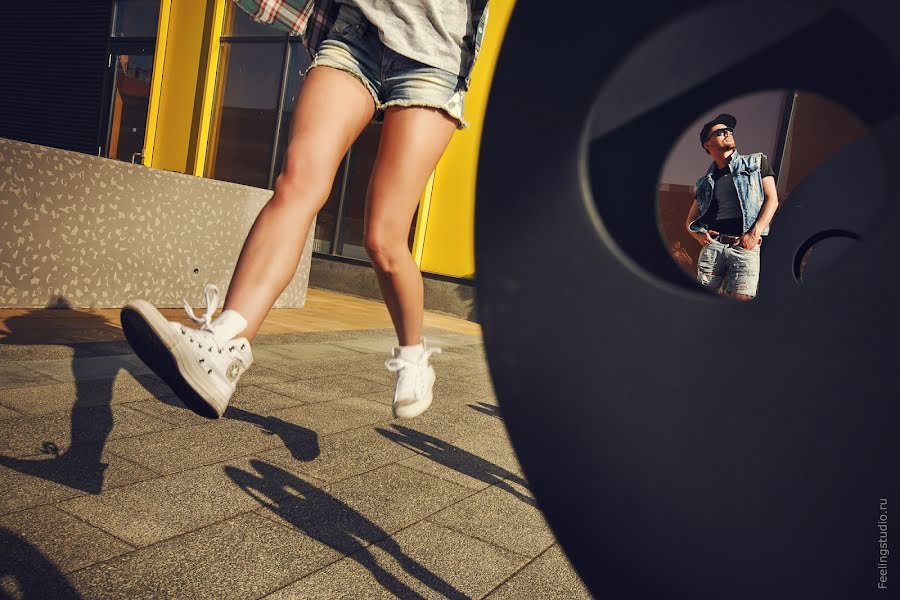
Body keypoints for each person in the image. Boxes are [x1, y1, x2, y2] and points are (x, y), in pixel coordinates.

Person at [120, 0, 490, 420]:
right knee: (297, 183)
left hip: (433, 56)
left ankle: (413, 355)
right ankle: (224, 346)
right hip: (355, 33)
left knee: (383, 239)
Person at [685, 113, 779, 300]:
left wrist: (754, 235)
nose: (728, 133)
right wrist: (699, 236)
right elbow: (690, 221)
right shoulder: (704, 182)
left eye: (729, 130)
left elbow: (772, 200)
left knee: (741, 303)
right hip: (714, 247)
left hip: (746, 247)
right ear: (707, 144)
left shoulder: (756, 163)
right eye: (720, 132)